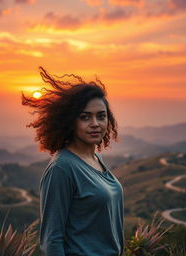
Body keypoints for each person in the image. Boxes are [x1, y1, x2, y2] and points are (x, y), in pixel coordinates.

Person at [22, 67, 124, 256]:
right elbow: (51, 240)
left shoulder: (95, 159)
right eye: (85, 117)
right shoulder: (62, 168)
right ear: (70, 121)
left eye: (101, 116)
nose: (95, 123)